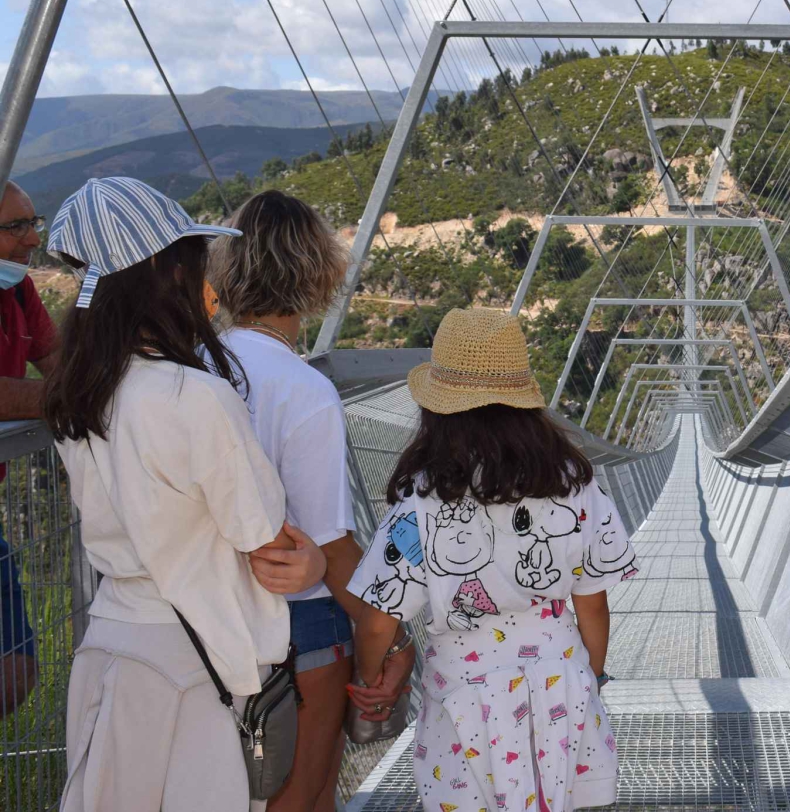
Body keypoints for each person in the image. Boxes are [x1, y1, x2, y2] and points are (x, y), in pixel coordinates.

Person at [42, 177, 327, 812]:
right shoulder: (193, 396)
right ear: (169, 271)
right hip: (195, 665)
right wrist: (311, 564)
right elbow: (266, 544)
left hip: (111, 647)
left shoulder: (81, 394)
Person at [348, 308, 636, 812]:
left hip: (466, 694)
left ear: (437, 410)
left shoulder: (423, 499)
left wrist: (372, 678)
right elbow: (592, 603)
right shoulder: (573, 483)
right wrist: (591, 676)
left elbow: (377, 621)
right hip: (560, 680)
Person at [208, 189, 413, 812]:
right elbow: (330, 544)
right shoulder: (304, 388)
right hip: (301, 628)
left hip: (205, 619)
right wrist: (390, 638)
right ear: (316, 273)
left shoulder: (190, 369)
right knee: (306, 795)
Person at [0, 180, 57, 717]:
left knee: (16, 672)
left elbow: (62, 365)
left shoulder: (19, 291)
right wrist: (67, 399)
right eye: (15, 226)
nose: (32, 238)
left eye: (32, 222)